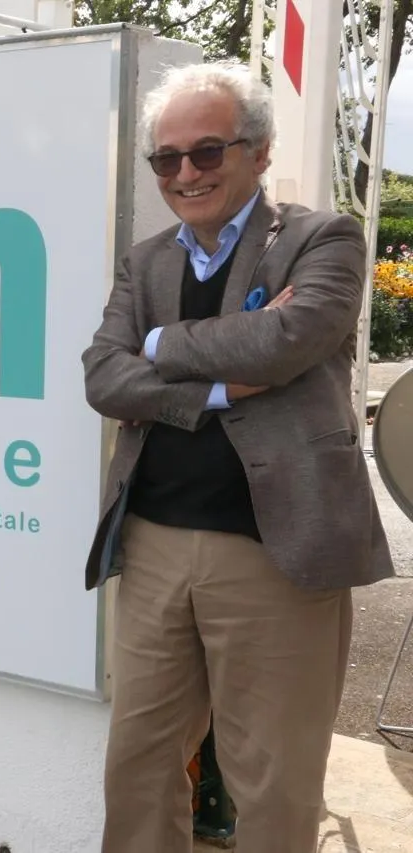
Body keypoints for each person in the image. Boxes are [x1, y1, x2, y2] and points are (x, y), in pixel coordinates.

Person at [81, 61, 394, 852]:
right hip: (153, 543)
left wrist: (159, 343)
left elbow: (286, 339)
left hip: (274, 550)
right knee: (138, 767)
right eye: (167, 157)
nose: (185, 173)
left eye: (207, 151)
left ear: (259, 150)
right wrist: (219, 386)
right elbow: (104, 376)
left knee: (275, 781)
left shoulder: (322, 239)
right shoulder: (146, 260)